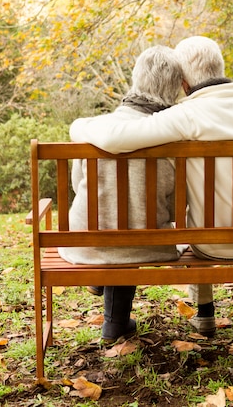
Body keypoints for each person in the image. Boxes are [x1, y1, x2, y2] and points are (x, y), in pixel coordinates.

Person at [70, 36, 233, 337]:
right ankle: (204, 314)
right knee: (201, 217)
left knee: (196, 226)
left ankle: (204, 310)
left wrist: (79, 126)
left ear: (183, 83)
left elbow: (114, 138)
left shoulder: (187, 115)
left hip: (216, 246)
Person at [59, 45, 184, 342]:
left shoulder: (94, 129)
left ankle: (107, 299)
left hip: (86, 242)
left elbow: (79, 186)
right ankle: (114, 322)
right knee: (132, 227)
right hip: (147, 244)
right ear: (178, 87)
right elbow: (177, 206)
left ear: (135, 79)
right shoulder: (174, 136)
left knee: (115, 222)